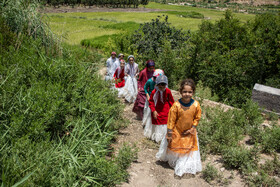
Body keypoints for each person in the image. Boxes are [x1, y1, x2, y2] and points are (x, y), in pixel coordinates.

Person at [156, 79, 202, 178]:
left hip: (189, 132)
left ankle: (185, 164)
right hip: (177, 131)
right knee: (177, 149)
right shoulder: (176, 106)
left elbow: (197, 117)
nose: (187, 94)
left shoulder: (196, 105)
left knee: (188, 150)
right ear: (180, 92)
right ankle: (177, 161)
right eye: (185, 92)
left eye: (190, 92)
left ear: (193, 92)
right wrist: (169, 133)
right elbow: (171, 120)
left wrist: (193, 127)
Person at [144, 75, 174, 143]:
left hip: (165, 108)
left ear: (166, 84)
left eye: (163, 84)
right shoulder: (154, 92)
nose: (161, 86)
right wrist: (153, 110)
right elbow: (151, 102)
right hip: (156, 108)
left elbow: (171, 101)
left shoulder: (168, 91)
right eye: (159, 84)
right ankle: (157, 137)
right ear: (157, 84)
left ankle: (163, 137)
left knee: (165, 122)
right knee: (156, 121)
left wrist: (173, 110)